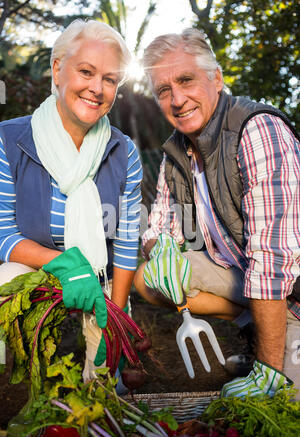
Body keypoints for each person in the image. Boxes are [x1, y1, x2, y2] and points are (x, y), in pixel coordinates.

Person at [134, 28, 300, 399]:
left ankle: (273, 356)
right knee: (147, 279)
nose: (177, 99)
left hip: (291, 285)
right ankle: (258, 332)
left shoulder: (255, 130)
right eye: (164, 90)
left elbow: (272, 263)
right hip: (242, 272)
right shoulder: (176, 153)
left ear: (217, 79)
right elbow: (159, 225)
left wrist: (270, 372)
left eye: (186, 80)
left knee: (285, 404)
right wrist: (158, 247)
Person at [0, 19, 143, 389]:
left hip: (100, 278)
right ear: (57, 68)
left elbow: (127, 243)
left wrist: (116, 318)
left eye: (110, 79)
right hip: (35, 268)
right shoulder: (8, 140)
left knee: (105, 388)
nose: (97, 88)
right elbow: (3, 234)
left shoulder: (123, 151)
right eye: (86, 72)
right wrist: (61, 263)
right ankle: (32, 368)